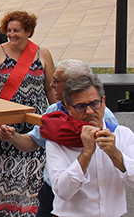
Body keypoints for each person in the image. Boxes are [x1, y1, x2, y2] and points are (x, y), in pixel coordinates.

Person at [0, 59, 117, 217]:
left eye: (56, 81)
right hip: (51, 192)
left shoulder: (104, 117)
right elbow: (33, 142)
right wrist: (13, 136)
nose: (51, 85)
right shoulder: (54, 111)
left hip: (85, 196)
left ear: (71, 84)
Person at [0, 10, 55, 217]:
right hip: (3, 126)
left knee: (32, 177)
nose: (12, 34)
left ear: (29, 31)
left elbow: (51, 89)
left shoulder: (43, 53)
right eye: (9, 30)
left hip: (34, 127)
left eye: (17, 30)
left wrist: (57, 118)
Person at [44, 74, 134, 217]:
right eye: (81, 106)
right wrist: (86, 154)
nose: (90, 111)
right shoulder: (57, 141)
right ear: (69, 108)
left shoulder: (123, 134)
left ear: (104, 102)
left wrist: (115, 154)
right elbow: (63, 191)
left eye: (94, 103)